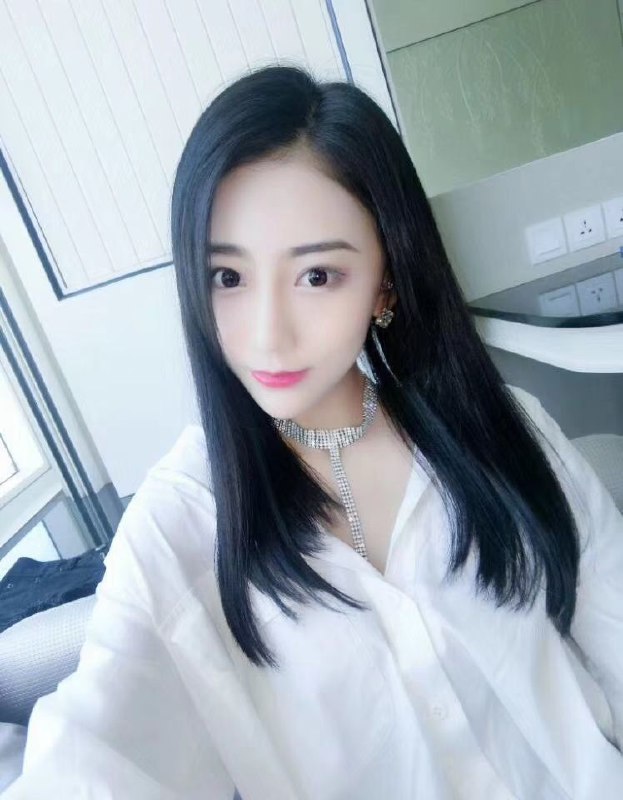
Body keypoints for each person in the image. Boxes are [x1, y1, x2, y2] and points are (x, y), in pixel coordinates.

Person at [4, 63, 623, 800]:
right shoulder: (180, 527)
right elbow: (92, 751)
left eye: (317, 276)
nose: (268, 334)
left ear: (385, 279)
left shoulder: (504, 431)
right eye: (228, 278)